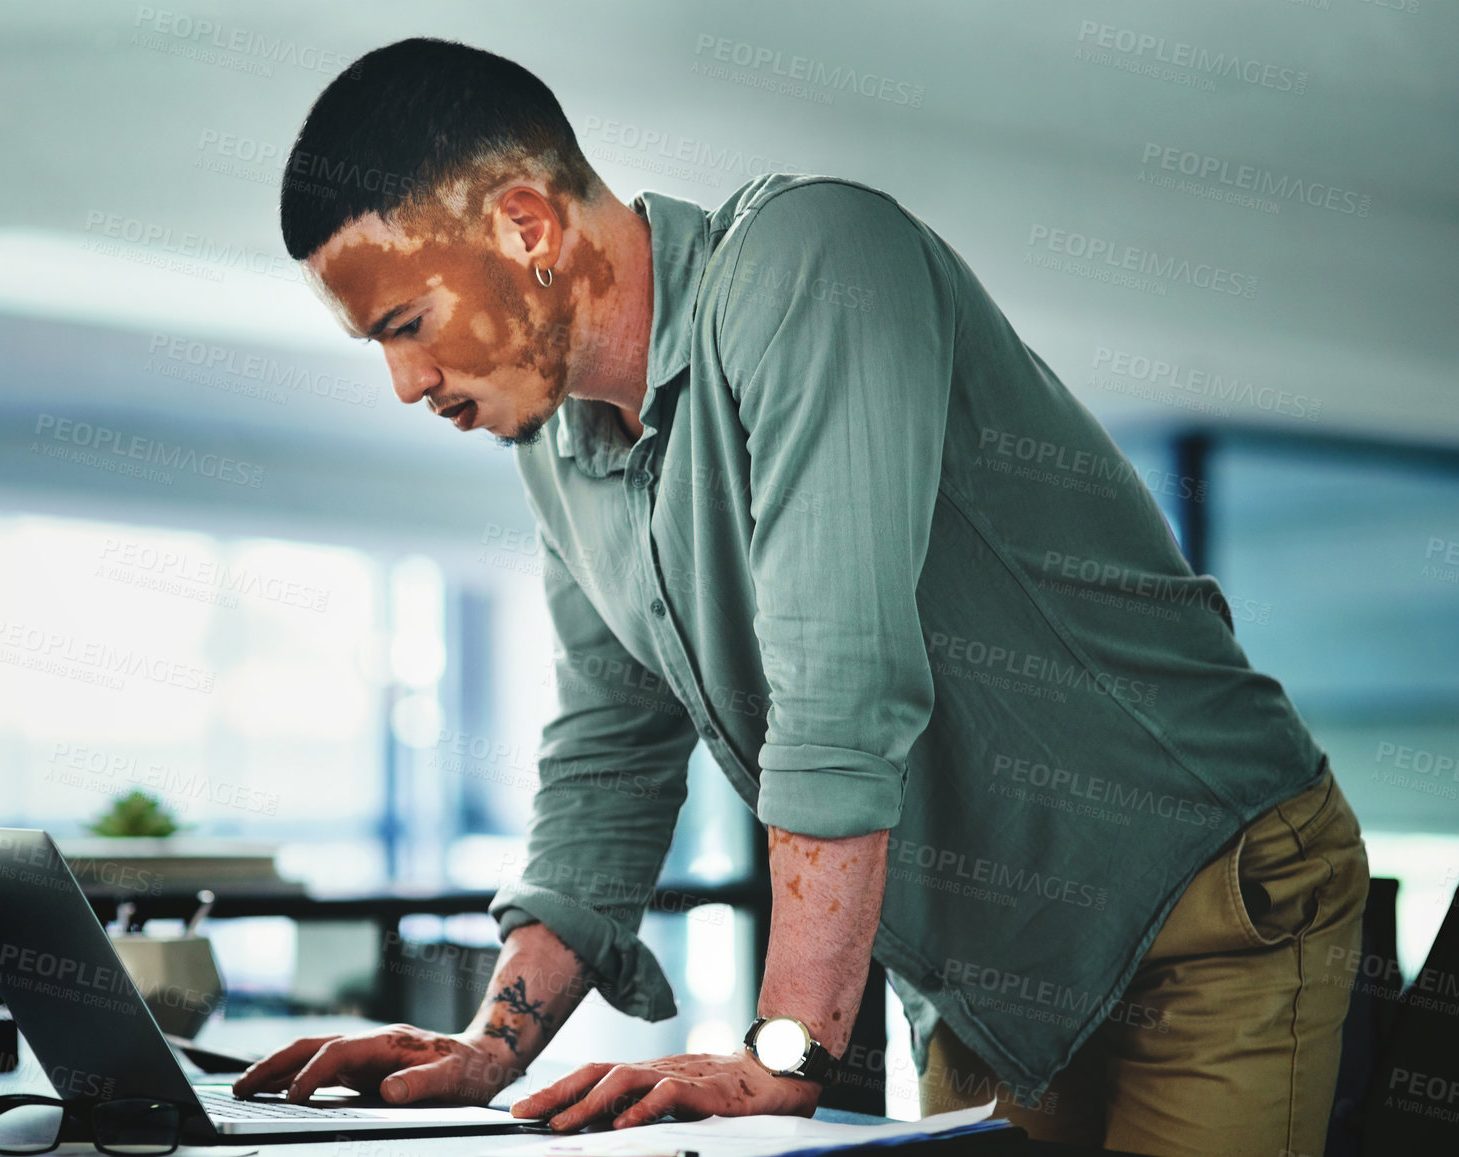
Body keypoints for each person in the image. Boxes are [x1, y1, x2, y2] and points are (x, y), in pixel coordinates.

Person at [231, 36, 1368, 1157]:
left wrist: (781, 1051)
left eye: (406, 326)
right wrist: (489, 1047)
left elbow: (841, 687)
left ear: (524, 226)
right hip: (992, 974)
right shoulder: (559, 446)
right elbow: (607, 754)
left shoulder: (811, 261)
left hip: (1202, 900)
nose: (405, 385)